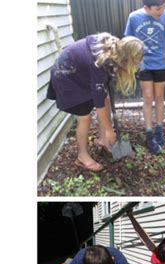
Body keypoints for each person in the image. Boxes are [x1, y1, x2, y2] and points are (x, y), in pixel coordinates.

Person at [47, 33, 144, 171]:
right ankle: (82, 156)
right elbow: (99, 105)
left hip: (81, 73)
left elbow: (103, 97)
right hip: (67, 78)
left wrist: (108, 131)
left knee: (106, 101)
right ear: (127, 59)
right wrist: (110, 130)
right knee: (85, 118)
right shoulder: (100, 65)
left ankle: (104, 140)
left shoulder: (114, 47)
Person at [124, 0, 165, 154]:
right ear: (146, 7)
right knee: (148, 97)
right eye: (158, 8)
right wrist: (133, 64)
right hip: (144, 65)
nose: (162, 10)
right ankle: (149, 131)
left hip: (162, 64)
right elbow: (128, 42)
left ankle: (159, 129)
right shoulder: (134, 17)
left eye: (164, 6)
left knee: (159, 96)